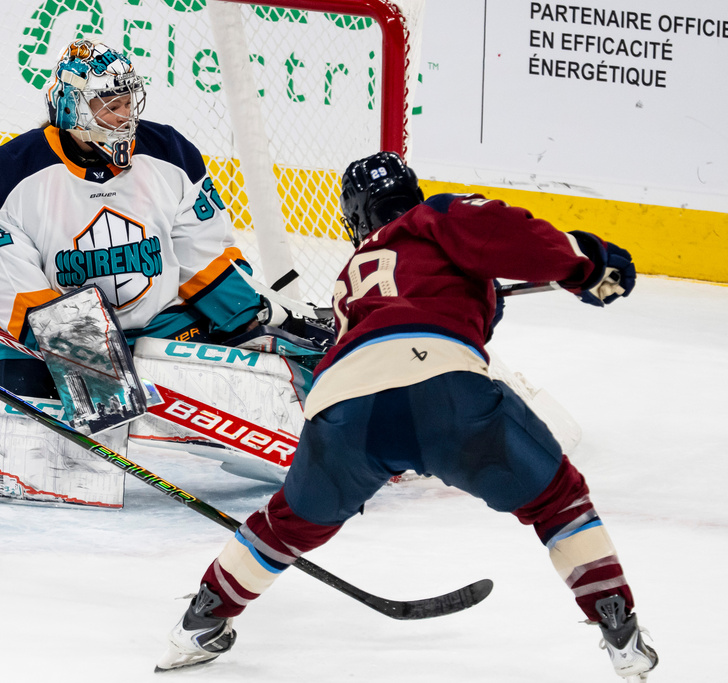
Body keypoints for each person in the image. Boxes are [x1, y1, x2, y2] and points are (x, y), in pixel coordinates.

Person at [156, 151, 658, 681]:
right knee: (558, 502)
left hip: (343, 406)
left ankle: (198, 622)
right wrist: (586, 261)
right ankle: (618, 629)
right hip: (442, 387)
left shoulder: (351, 276)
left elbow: (417, 311)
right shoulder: (433, 217)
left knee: (287, 524)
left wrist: (481, 294)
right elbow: (501, 234)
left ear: (355, 217)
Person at [0, 39, 321, 398]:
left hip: (160, 329)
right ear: (71, 108)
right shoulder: (9, 175)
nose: (125, 116)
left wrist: (246, 315)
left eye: (126, 102)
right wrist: (89, 357)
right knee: (27, 424)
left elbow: (202, 253)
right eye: (109, 106)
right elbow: (13, 287)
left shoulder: (169, 151)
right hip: (51, 340)